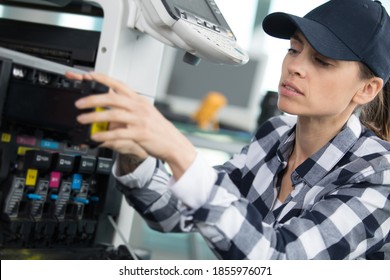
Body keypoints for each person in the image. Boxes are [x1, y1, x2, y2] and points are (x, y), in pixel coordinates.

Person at [66, 0, 390, 259]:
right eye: (294, 49)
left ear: (367, 90)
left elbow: (279, 259)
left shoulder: (378, 176)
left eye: (322, 61)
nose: (295, 66)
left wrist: (177, 149)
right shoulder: (274, 136)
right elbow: (173, 213)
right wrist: (133, 149)